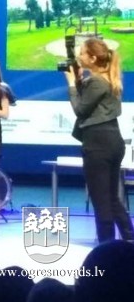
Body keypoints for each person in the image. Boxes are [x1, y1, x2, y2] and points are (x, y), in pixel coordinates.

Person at [65, 37, 134, 242]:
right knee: (111, 198)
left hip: (99, 143)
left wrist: (71, 84)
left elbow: (81, 109)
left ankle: (106, 247)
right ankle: (128, 239)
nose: (79, 57)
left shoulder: (97, 81)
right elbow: (88, 102)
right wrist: (78, 79)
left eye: (83, 53)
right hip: (111, 140)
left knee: (101, 201)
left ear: (93, 58)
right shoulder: (105, 78)